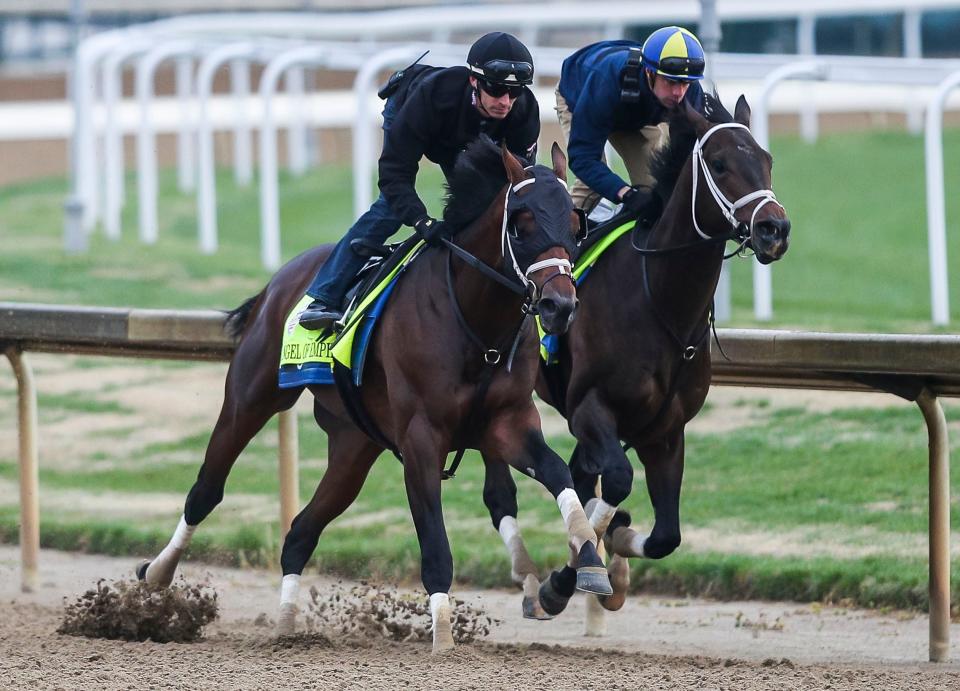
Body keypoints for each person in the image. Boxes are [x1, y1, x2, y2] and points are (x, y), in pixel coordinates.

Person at [299, 32, 540, 330]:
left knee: (488, 205)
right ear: (474, 80)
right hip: (413, 112)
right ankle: (325, 295)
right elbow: (393, 175)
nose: (505, 102)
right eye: (497, 89)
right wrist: (421, 221)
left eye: (514, 92)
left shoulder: (524, 112)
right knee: (390, 209)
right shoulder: (430, 98)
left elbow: (519, 188)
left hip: (466, 136)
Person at [555, 26, 707, 221]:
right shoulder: (605, 83)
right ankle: (557, 237)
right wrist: (625, 193)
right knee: (592, 185)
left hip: (637, 114)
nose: (678, 93)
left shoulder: (690, 89)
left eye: (684, 83)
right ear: (650, 72)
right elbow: (583, 159)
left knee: (655, 189)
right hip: (582, 96)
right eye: (670, 82)